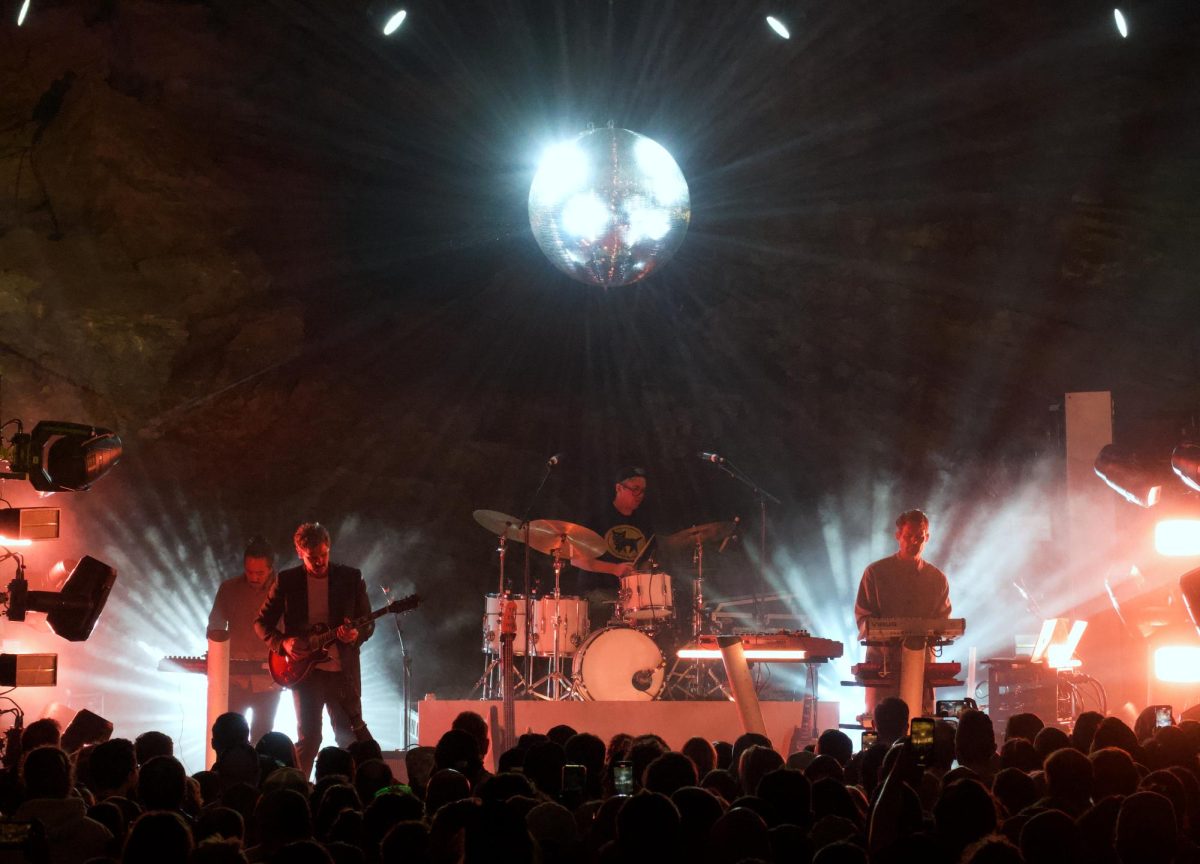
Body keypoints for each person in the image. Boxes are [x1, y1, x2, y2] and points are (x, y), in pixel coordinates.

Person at [255, 522, 375, 776]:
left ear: (329, 548)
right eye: (312, 558)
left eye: (323, 555)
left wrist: (355, 634)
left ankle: (353, 794)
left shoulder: (350, 578)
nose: (319, 562)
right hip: (305, 674)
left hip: (342, 672)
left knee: (349, 740)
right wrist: (284, 643)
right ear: (299, 552)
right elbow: (261, 623)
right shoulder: (288, 581)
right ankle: (299, 787)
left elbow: (368, 622)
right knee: (310, 740)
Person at [854, 509, 951, 716]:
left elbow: (944, 623)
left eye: (919, 537)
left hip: (921, 669)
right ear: (898, 536)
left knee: (920, 726)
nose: (914, 542)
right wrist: (887, 633)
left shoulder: (937, 579)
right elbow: (864, 618)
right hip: (882, 668)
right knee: (879, 723)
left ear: (927, 537)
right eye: (908, 536)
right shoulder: (875, 573)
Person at [208, 535, 283, 744]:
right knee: (232, 736)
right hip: (235, 679)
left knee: (263, 737)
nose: (254, 577)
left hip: (270, 678)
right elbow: (215, 622)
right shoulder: (229, 589)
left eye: (259, 573)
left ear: (270, 568)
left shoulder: (284, 590)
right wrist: (215, 644)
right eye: (249, 571)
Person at [571, 467, 655, 626]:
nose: (640, 495)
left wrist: (642, 575)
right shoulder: (596, 518)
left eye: (643, 491)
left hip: (632, 595)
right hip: (599, 592)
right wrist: (614, 569)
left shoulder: (644, 522)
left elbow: (646, 561)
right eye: (635, 489)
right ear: (619, 488)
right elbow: (576, 560)